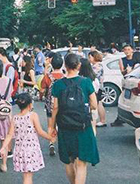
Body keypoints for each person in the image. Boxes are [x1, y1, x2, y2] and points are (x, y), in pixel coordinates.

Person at [48, 54, 99, 184]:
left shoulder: (58, 84)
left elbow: (55, 108)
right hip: (83, 127)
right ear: (79, 66)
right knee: (81, 164)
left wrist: (52, 126)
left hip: (65, 127)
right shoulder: (86, 82)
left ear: (65, 65)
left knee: (69, 162)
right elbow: (94, 104)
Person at [0, 93, 54, 184]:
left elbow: (9, 135)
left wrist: (3, 147)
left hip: (20, 151)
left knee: (26, 175)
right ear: (30, 104)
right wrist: (50, 138)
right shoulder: (33, 115)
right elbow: (40, 131)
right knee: (28, 176)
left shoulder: (15, 118)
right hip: (30, 150)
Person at [40, 52, 64, 156]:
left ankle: (51, 143)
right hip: (63, 105)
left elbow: (42, 90)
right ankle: (63, 144)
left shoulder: (47, 77)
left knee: (51, 124)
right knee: (62, 125)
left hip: (50, 104)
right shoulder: (65, 77)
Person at [112, 44, 135, 127]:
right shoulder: (122, 60)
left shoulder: (136, 59)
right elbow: (122, 72)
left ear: (132, 50)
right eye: (125, 49)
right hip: (126, 82)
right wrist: (126, 70)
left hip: (134, 82)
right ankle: (120, 118)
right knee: (124, 100)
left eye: (129, 49)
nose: (127, 51)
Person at [79, 58, 98, 134]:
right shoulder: (94, 79)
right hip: (93, 103)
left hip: (83, 105)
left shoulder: (81, 80)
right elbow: (96, 90)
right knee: (93, 125)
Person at [88, 51, 106, 128]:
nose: (89, 59)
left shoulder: (97, 66)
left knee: (98, 103)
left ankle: (102, 120)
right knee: (99, 103)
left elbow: (93, 75)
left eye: (90, 57)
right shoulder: (97, 65)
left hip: (97, 87)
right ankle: (102, 120)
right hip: (99, 86)